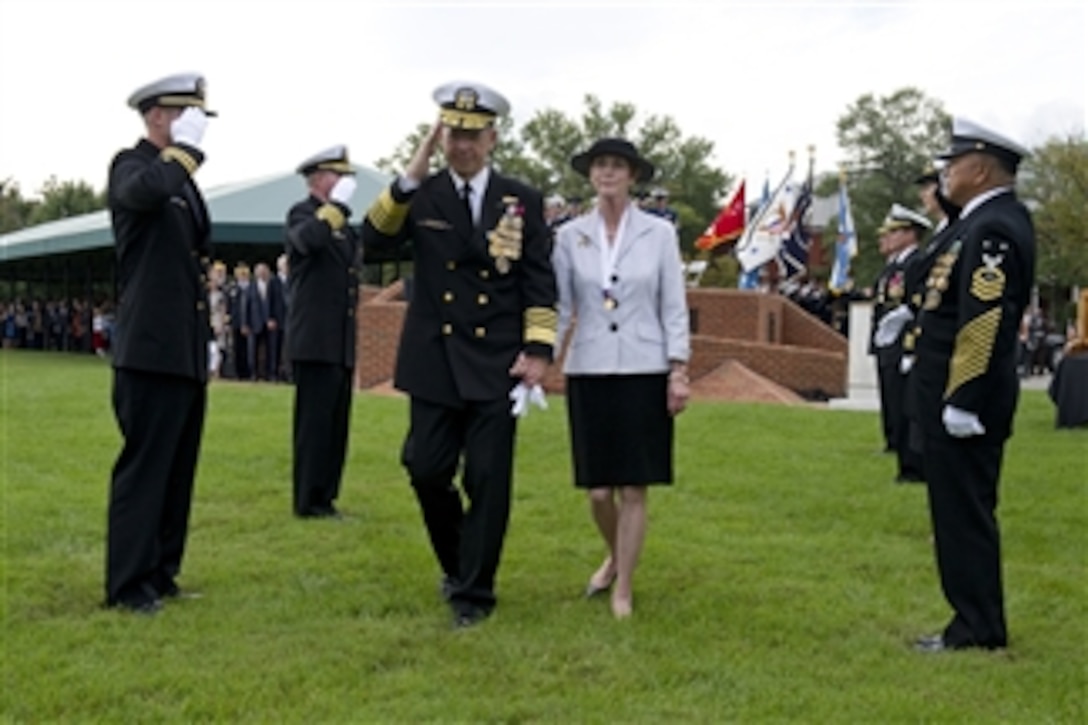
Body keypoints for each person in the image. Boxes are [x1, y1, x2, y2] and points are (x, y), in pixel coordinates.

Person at [361, 81, 557, 629]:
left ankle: (474, 592)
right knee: (425, 469)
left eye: (473, 134)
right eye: (452, 133)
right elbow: (371, 243)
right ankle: (457, 562)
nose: (462, 144)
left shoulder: (522, 201)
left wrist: (538, 350)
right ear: (439, 136)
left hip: (498, 362)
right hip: (433, 359)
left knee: (489, 480)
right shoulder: (420, 194)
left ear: (493, 138)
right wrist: (407, 176)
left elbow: (539, 282)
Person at [552, 137, 691, 619]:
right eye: (600, 166)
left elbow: (672, 304)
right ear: (590, 175)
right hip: (589, 366)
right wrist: (540, 355)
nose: (608, 173)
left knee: (634, 486)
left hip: (644, 367)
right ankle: (615, 553)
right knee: (597, 490)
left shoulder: (659, 234)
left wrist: (678, 369)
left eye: (617, 166)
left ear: (632, 176)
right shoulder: (570, 236)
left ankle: (624, 587)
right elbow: (562, 305)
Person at [910, 117, 1035, 652]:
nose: (944, 172)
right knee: (956, 513)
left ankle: (977, 629)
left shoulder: (995, 227)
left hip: (965, 400)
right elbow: (928, 285)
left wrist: (962, 399)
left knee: (965, 517)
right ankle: (973, 622)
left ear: (979, 169)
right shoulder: (974, 222)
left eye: (952, 163)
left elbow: (985, 317)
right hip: (948, 394)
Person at [105, 72, 216, 614]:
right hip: (149, 348)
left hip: (184, 348)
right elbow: (145, 193)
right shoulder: (132, 166)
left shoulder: (182, 180)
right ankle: (128, 585)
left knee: (177, 468)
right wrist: (185, 153)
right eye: (185, 117)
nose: (194, 129)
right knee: (146, 467)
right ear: (157, 116)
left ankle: (162, 573)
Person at [284, 145, 363, 519]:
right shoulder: (303, 214)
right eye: (338, 176)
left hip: (340, 339)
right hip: (314, 339)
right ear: (319, 179)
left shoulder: (343, 226)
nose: (346, 183)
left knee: (336, 425)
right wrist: (338, 210)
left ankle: (326, 496)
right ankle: (307, 499)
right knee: (313, 425)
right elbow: (307, 241)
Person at [870, 203, 930, 482]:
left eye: (893, 234)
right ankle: (893, 439)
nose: (886, 239)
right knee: (888, 392)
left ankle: (904, 446)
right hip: (887, 339)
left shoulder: (916, 262)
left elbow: (915, 301)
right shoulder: (892, 266)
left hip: (905, 339)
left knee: (901, 395)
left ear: (910, 234)